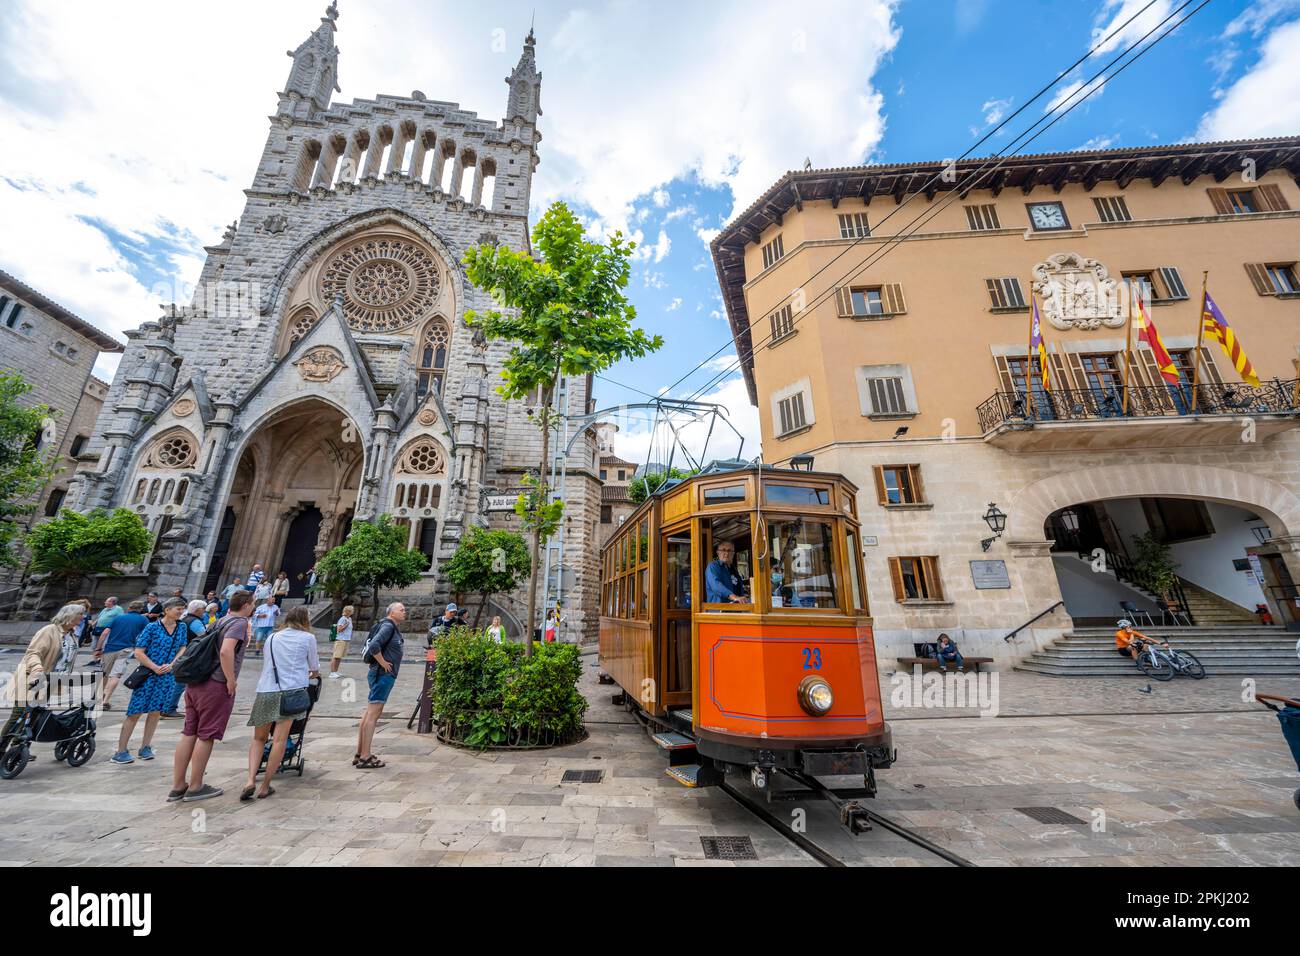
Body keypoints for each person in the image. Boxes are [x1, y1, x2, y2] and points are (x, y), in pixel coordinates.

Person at [169, 589, 254, 803]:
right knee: (206, 735)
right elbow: (226, 651)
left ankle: (178, 785)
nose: (253, 608)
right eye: (252, 604)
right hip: (215, 684)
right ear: (245, 605)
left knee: (189, 732)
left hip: (196, 682)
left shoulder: (218, 621)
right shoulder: (239, 623)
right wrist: (230, 680)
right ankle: (196, 786)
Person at [241, 605, 320, 801]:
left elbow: (269, 663)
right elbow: (314, 667)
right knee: (279, 740)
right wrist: (311, 673)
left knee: (258, 738)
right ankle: (266, 786)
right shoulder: (308, 638)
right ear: (304, 620)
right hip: (291, 692)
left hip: (266, 690)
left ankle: (250, 779)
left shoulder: (272, 637)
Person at [2, 604, 87, 758]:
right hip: (34, 678)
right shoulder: (49, 631)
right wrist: (36, 668)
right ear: (70, 615)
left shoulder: (72, 634)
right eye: (80, 614)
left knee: (35, 715)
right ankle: (1, 750)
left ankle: (16, 749)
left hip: (50, 682)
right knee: (19, 715)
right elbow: (33, 652)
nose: (83, 617)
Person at [112, 598, 188, 764]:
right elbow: (139, 652)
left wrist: (173, 663)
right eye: (178, 608)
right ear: (167, 609)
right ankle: (121, 750)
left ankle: (145, 746)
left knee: (155, 712)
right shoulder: (152, 627)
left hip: (167, 676)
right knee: (135, 712)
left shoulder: (181, 627)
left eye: (182, 609)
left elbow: (183, 646)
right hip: (149, 675)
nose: (181, 612)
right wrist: (154, 667)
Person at [356, 602, 405, 770]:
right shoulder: (388, 626)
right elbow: (374, 645)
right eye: (401, 609)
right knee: (373, 715)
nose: (404, 612)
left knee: (369, 713)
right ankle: (365, 756)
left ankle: (359, 752)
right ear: (392, 613)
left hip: (380, 674)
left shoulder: (389, 626)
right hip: (382, 675)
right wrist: (383, 662)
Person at [93, 599, 150, 710]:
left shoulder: (118, 617)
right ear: (141, 609)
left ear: (129, 608)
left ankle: (98, 699)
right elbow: (147, 634)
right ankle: (105, 701)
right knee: (116, 675)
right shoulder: (143, 619)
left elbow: (104, 633)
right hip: (126, 649)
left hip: (109, 648)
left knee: (104, 674)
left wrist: (98, 648)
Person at [161, 600, 209, 719]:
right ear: (198, 610)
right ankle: (169, 708)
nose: (204, 611)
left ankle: (166, 707)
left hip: (181, 654)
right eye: (203, 609)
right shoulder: (195, 622)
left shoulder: (185, 620)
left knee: (176, 681)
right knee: (180, 683)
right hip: (188, 656)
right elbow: (204, 637)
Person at [705, 540, 748, 604]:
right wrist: (734, 597)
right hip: (718, 610)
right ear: (718, 552)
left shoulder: (734, 570)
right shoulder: (713, 566)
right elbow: (716, 585)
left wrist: (743, 597)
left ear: (733, 553)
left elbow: (739, 589)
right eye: (723, 550)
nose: (727, 553)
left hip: (735, 609)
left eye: (729, 550)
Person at [329, 605, 354, 679]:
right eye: (352, 610)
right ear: (348, 611)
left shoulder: (349, 618)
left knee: (339, 657)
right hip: (340, 640)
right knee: (336, 656)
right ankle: (332, 672)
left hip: (346, 640)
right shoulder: (343, 619)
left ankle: (336, 671)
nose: (353, 611)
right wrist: (346, 625)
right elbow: (339, 629)